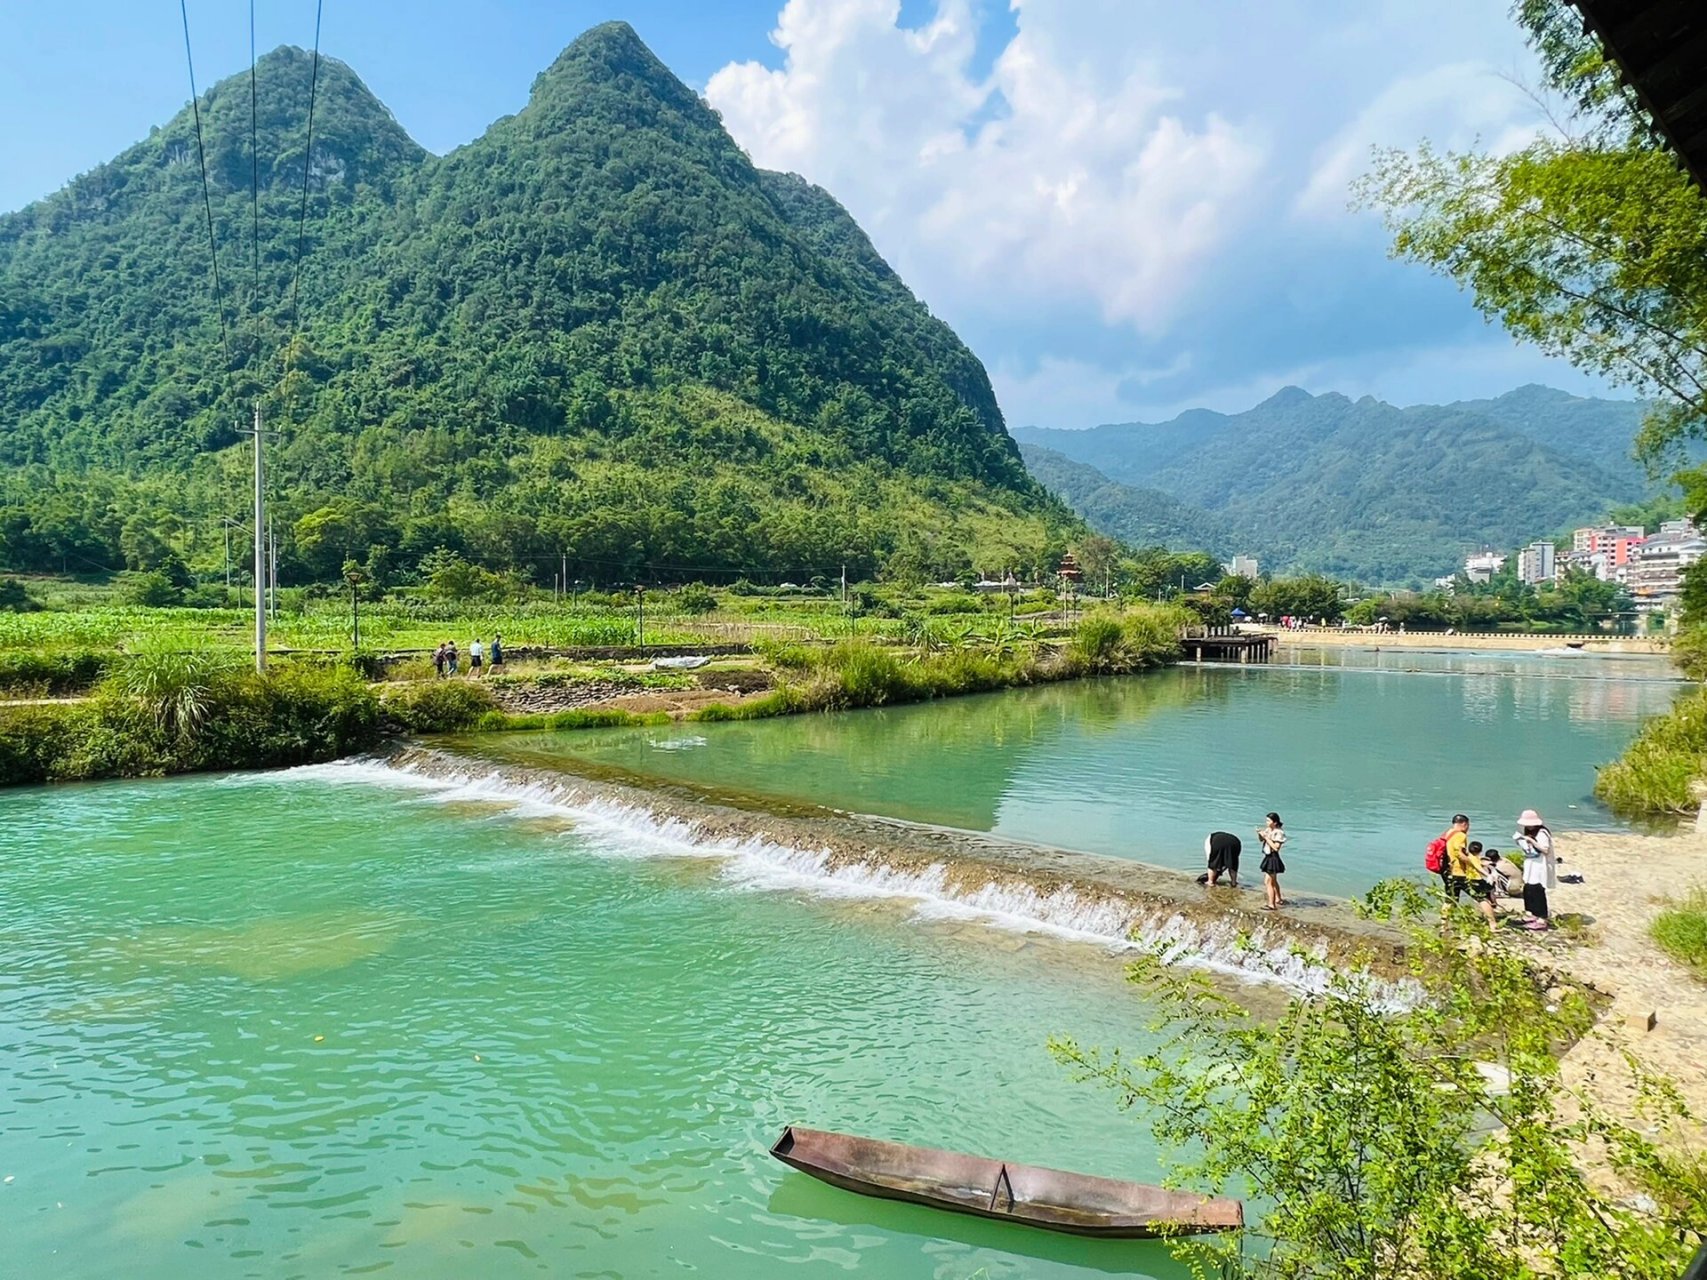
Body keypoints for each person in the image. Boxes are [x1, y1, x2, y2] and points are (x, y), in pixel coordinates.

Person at [1446, 814, 1496, 926]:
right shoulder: (1460, 835)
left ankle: (1444, 927)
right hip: (1462, 874)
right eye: (1468, 825)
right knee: (1482, 898)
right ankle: (1493, 925)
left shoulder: (1448, 834)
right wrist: (1472, 864)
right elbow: (1460, 854)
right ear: (1464, 824)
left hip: (1450, 872)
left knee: (1450, 901)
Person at [1513, 808, 1556, 931]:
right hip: (1531, 863)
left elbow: (1545, 850)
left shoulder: (1542, 833)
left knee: (1538, 891)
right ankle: (1532, 914)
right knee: (1528, 889)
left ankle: (1542, 918)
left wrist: (1531, 841)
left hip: (1540, 865)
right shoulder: (1529, 832)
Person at [1256, 812, 1287, 910]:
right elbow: (1262, 840)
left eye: (1268, 821)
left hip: (1273, 857)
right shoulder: (1268, 829)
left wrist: (1266, 837)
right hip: (1268, 856)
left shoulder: (1279, 832)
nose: (1266, 822)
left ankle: (1271, 904)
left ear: (1275, 822)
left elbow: (1276, 847)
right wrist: (1260, 834)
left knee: (1268, 882)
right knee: (1273, 881)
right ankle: (1278, 899)